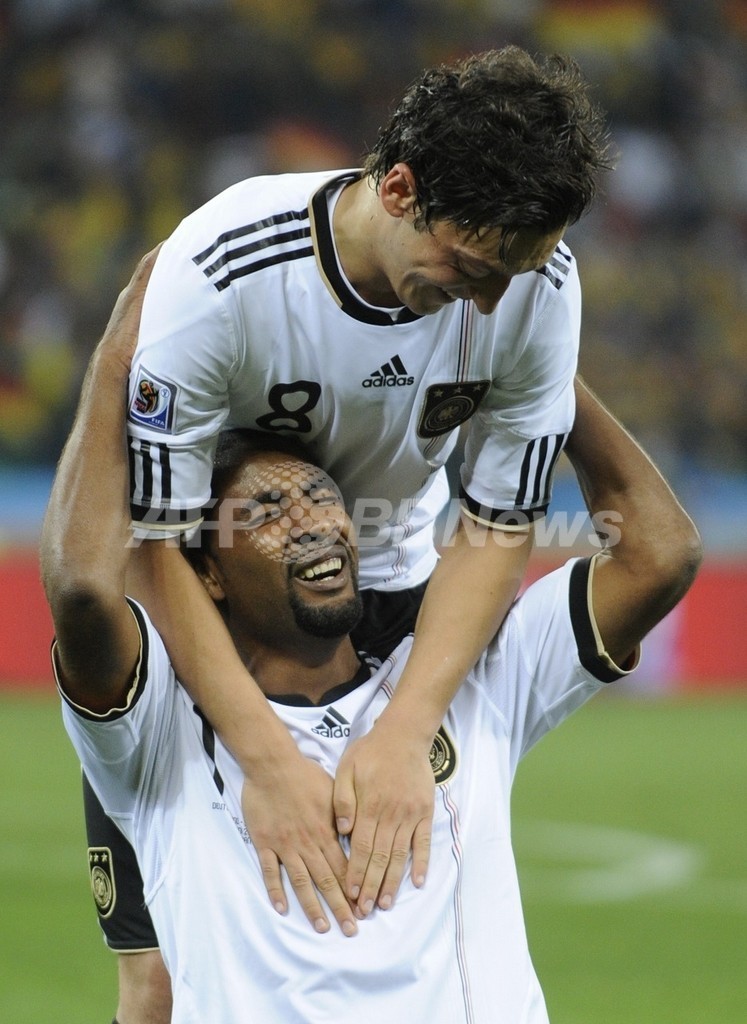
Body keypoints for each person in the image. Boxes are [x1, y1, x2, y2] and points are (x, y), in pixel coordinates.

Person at [42, 244, 701, 1022]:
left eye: (324, 499)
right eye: (266, 512)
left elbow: (660, 555)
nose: (314, 522)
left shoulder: (466, 680)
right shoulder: (163, 733)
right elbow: (84, 590)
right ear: (207, 572)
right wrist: (123, 357)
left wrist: (534, 355)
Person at [89, 45, 614, 1019]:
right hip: (209, 602)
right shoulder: (222, 271)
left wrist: (408, 729)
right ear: (401, 188)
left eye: (513, 273)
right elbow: (151, 543)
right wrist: (266, 759)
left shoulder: (537, 286)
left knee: (392, 907)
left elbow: (498, 519)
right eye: (470, 266)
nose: (489, 302)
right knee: (156, 980)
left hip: (398, 597)